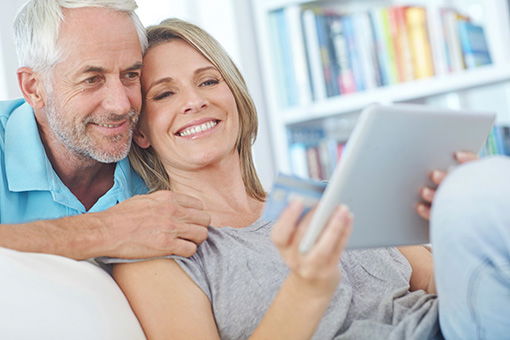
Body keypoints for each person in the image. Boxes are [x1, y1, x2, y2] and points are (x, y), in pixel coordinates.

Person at [107, 18, 476, 339]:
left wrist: (457, 227)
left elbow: (433, 280)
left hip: (462, 323)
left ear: (234, 95)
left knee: (484, 190)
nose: (194, 101)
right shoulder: (157, 253)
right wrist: (308, 288)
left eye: (208, 81)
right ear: (141, 133)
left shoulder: (329, 195)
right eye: (165, 93)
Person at [0, 0, 210, 261]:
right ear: (33, 87)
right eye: (92, 79)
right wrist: (105, 231)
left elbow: (253, 208)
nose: (121, 105)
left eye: (130, 75)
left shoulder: (157, 144)